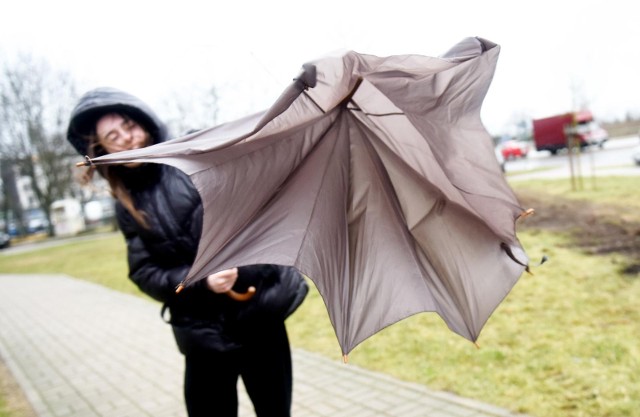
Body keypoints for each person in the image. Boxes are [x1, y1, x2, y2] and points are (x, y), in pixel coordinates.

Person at [66, 87, 308, 417]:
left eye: (128, 125)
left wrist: (242, 270)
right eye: (112, 135)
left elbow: (265, 219)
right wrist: (200, 281)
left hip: (258, 321)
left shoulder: (198, 153)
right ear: (101, 147)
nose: (126, 137)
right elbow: (145, 272)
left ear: (145, 122)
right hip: (203, 336)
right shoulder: (127, 204)